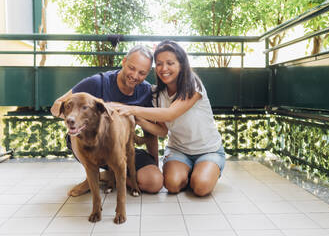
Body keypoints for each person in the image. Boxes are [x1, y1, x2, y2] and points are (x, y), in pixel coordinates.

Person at [51, 45, 163, 194]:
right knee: (80, 132)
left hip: (121, 146)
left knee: (154, 182)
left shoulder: (146, 92)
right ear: (124, 62)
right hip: (90, 142)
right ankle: (92, 177)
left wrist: (154, 164)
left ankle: (108, 176)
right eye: (131, 68)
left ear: (147, 73)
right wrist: (79, 119)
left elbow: (151, 135)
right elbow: (57, 106)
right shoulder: (97, 83)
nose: (135, 75)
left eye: (142, 73)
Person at [120, 40, 225, 197]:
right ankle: (189, 172)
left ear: (181, 64)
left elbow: (170, 113)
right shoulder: (156, 94)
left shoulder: (194, 85)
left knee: (201, 188)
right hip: (178, 150)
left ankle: (201, 172)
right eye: (160, 64)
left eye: (170, 63)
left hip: (209, 150)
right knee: (172, 185)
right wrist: (139, 120)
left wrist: (131, 109)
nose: (164, 69)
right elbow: (162, 131)